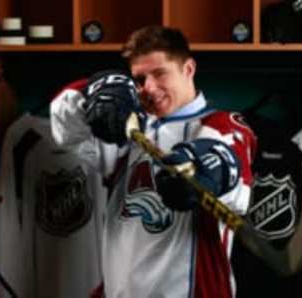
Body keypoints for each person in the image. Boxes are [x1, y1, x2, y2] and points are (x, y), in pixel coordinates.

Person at [50, 25, 257, 298]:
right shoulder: (125, 131)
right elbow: (65, 127)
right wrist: (97, 90)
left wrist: (207, 168)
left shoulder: (220, 125)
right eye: (139, 79)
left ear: (188, 69)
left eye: (160, 73)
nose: (148, 88)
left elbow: (233, 177)